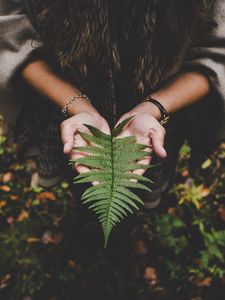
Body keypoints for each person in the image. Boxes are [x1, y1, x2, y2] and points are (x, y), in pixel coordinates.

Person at [0, 0, 225, 207]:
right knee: (79, 170)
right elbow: (10, 34)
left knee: (142, 176)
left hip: (162, 105)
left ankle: (125, 214)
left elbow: (219, 49)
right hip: (62, 95)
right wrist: (79, 106)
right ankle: (87, 205)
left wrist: (153, 107)